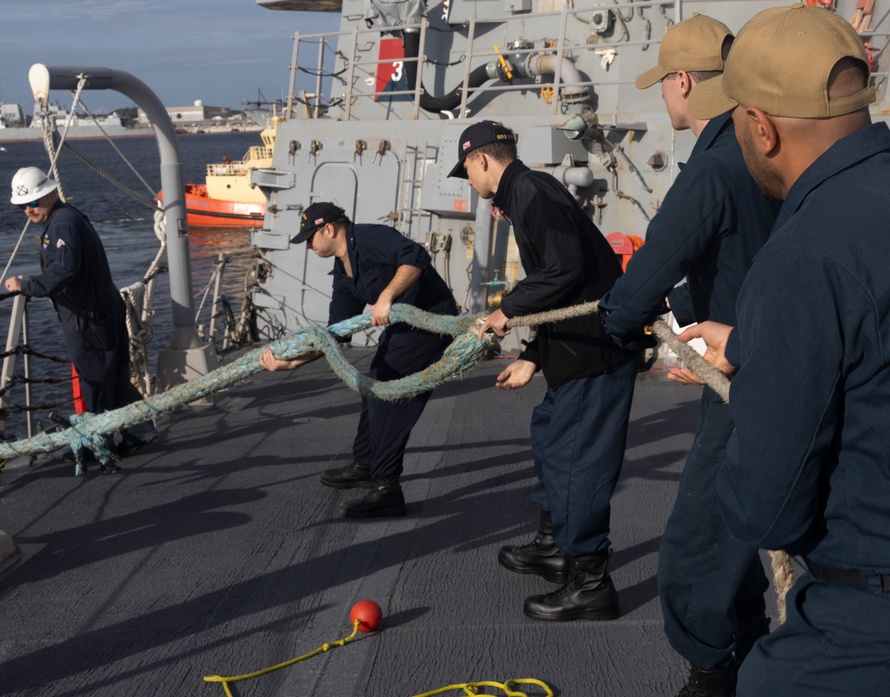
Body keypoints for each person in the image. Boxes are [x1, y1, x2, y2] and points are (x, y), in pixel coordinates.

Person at [676, 4, 890, 695]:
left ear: (759, 127)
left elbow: (768, 509)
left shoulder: (801, 255)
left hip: (882, 625)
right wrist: (760, 343)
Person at [597, 14, 779, 697]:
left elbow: (644, 276)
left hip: (740, 376)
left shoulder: (712, 164)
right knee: (738, 525)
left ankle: (714, 670)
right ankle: (750, 649)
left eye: (664, 88)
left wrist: (613, 324)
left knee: (694, 544)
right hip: (772, 355)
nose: (664, 101)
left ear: (682, 82)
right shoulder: (762, 148)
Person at [449, 120, 640, 622]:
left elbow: (564, 269)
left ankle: (591, 582)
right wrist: (532, 356)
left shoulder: (530, 190)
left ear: (482, 160)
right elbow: (561, 285)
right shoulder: (526, 194)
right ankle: (555, 546)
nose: (467, 180)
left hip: (593, 355)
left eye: (466, 170)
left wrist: (504, 313)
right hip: (568, 351)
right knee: (550, 438)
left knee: (580, 464)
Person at [259, 202, 458, 518]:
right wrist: (293, 363)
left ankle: (387, 488)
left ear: (329, 229)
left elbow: (416, 257)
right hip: (404, 328)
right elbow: (336, 333)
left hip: (431, 322)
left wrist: (386, 296)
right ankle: (366, 464)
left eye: (310, 237)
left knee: (389, 399)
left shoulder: (369, 237)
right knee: (372, 384)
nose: (308, 245)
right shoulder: (342, 271)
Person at [5, 166, 154, 461]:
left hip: (88, 319)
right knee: (114, 378)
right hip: (101, 311)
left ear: (49, 195)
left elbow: (66, 268)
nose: (27, 210)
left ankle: (98, 446)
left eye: (32, 203)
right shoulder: (67, 217)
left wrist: (27, 285)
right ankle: (136, 433)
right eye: (22, 205)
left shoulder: (61, 224)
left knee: (95, 381)